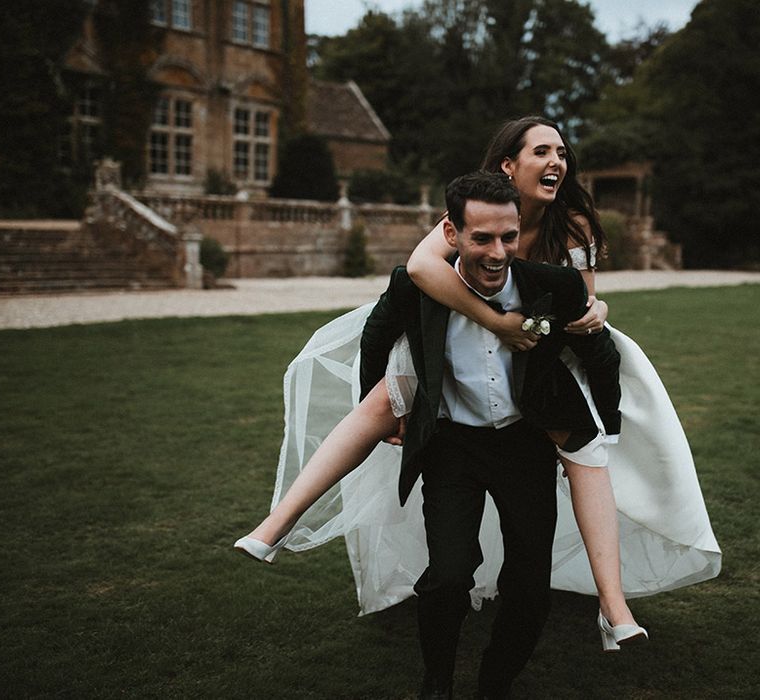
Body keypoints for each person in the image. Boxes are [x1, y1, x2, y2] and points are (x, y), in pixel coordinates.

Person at [235, 117, 720, 646]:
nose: (558, 161)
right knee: (381, 400)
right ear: (508, 165)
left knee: (585, 450)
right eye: (543, 151)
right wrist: (496, 322)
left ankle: (613, 605)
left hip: (544, 351)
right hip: (461, 328)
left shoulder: (573, 223)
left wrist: (593, 310)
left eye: (562, 151)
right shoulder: (473, 211)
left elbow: (577, 299)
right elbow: (421, 268)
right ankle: (276, 525)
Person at [359, 170, 624, 698]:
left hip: (524, 445)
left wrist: (605, 430)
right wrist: (388, 410)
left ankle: (495, 681)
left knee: (529, 586)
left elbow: (601, 353)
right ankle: (437, 680)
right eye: (482, 238)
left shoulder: (555, 285)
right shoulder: (416, 286)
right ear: (451, 233)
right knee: (449, 575)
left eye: (508, 236)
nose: (498, 251)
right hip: (452, 448)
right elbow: (375, 335)